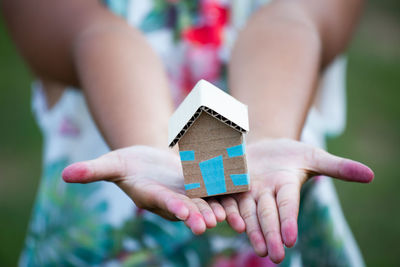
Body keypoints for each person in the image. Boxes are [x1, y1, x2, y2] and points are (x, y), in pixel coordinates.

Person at [2, 0, 373, 266]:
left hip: (272, 214)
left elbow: (293, 20)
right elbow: (95, 34)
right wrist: (148, 144)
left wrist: (270, 132)